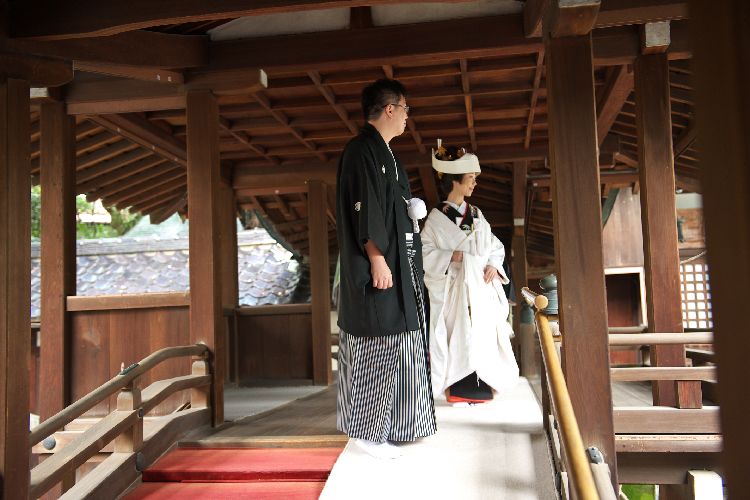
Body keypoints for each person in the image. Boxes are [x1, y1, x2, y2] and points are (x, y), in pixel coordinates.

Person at [335, 79, 436, 459]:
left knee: (402, 343)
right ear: (390, 108)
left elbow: (391, 209)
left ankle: (402, 424)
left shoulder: (389, 155)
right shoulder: (361, 150)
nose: (408, 117)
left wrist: (411, 212)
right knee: (377, 343)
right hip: (378, 268)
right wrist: (376, 258)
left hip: (399, 267)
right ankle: (367, 432)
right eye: (405, 109)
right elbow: (364, 209)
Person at [421, 141, 519, 405]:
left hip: (480, 286)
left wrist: (493, 264)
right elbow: (424, 252)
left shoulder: (476, 214)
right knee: (459, 336)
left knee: (482, 336)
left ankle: (483, 385)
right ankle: (458, 387)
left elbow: (495, 246)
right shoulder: (435, 218)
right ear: (455, 180)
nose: (474, 183)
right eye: (470, 178)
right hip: (454, 288)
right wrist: (450, 256)